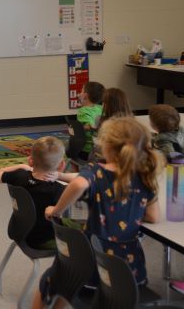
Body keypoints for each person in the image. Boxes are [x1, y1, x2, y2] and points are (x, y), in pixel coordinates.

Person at [32, 117, 162, 308]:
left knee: (52, 278)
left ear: (108, 146)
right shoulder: (145, 175)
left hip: (92, 266)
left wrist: (57, 210)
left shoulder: (97, 171)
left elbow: (78, 183)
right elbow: (153, 216)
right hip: (129, 272)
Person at [0, 136, 66, 250]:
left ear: (30, 160)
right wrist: (62, 177)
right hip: (45, 241)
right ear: (61, 165)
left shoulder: (19, 176)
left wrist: (21, 166)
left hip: (19, 232)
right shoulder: (60, 190)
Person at [148, 104, 184, 173]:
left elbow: (171, 157)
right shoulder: (182, 130)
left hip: (178, 174)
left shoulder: (162, 139)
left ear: (153, 124)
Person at [76, 81, 105, 160]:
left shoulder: (83, 111)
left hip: (88, 150)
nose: (79, 93)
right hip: (102, 148)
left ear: (85, 95)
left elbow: (88, 126)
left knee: (70, 150)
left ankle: (77, 170)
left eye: (81, 91)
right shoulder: (101, 108)